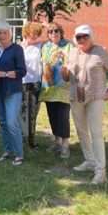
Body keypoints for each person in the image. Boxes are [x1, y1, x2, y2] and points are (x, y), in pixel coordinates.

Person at [61, 24, 108, 184]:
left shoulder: (100, 51)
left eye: (85, 36)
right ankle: (90, 161)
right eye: (78, 37)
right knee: (81, 131)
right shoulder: (72, 52)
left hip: (95, 96)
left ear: (91, 37)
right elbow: (66, 78)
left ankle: (101, 172)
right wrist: (63, 68)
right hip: (76, 96)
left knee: (96, 132)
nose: (81, 39)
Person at [0, 22, 27, 166]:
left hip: (12, 91)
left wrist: (3, 74)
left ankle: (19, 154)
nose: (2, 35)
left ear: (10, 34)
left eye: (4, 32)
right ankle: (7, 150)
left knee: (12, 122)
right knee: (3, 122)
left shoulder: (17, 49)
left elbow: (22, 71)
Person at [39, 22, 73, 159]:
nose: (54, 34)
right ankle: (57, 141)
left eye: (57, 31)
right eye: (51, 31)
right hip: (48, 87)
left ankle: (65, 145)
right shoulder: (45, 46)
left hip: (64, 87)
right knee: (52, 115)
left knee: (63, 116)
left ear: (61, 32)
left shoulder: (68, 45)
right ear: (48, 34)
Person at [20, 22, 44, 149]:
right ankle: (22, 138)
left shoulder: (42, 46)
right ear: (26, 33)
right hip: (22, 83)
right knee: (22, 112)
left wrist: (47, 24)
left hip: (36, 83)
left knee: (33, 113)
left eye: (36, 34)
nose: (33, 36)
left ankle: (31, 141)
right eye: (31, 33)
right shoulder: (20, 47)